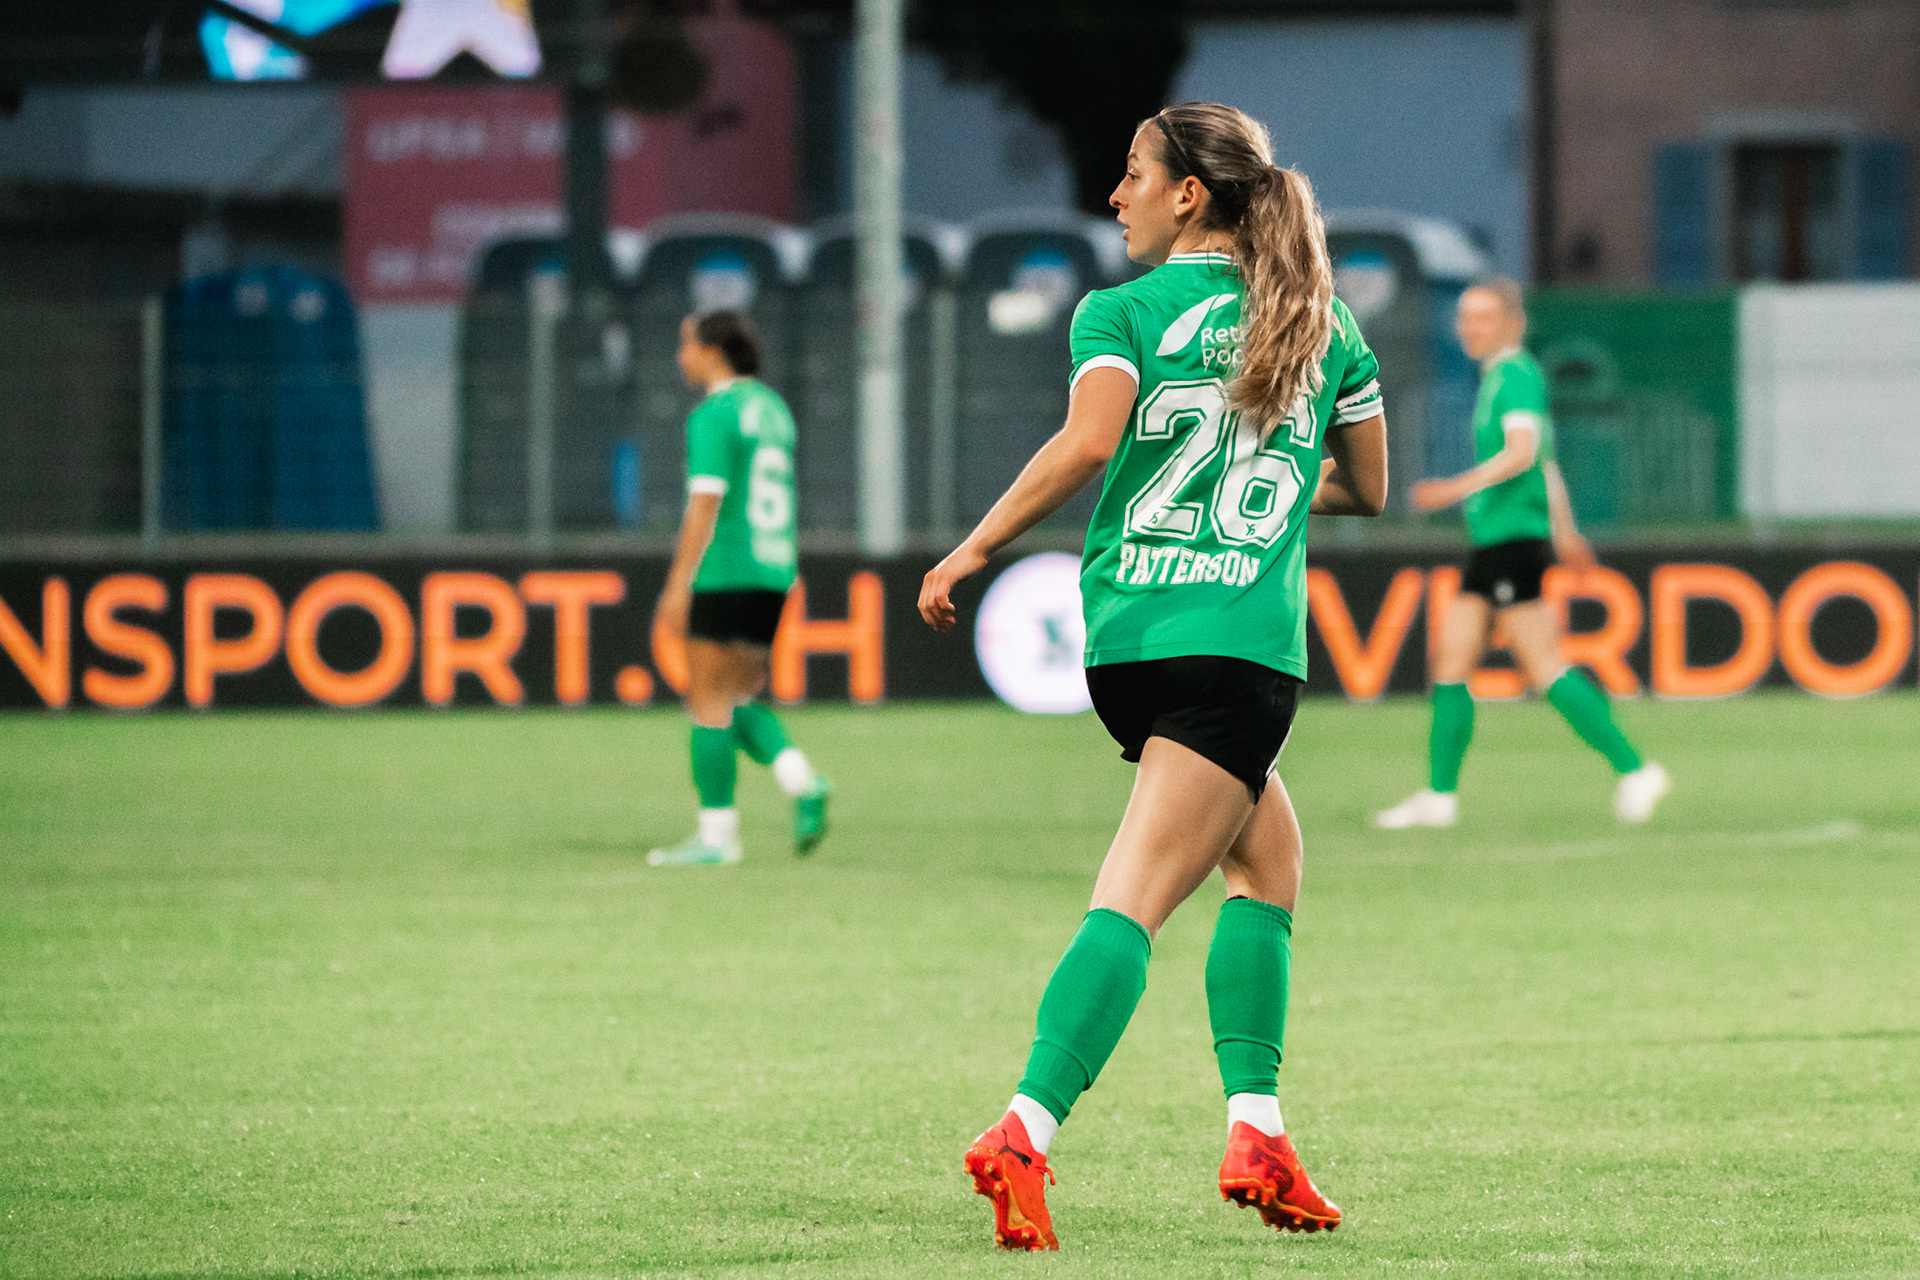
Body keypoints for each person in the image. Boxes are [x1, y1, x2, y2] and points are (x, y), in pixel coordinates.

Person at [920, 102, 1389, 1251]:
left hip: (1127, 643)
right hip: (1236, 649)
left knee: (1268, 865)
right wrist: (1270, 475)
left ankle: (1261, 1129)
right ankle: (1024, 1129)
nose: (1116, 194)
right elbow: (1366, 489)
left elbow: (1094, 443)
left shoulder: (1122, 311)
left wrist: (985, 541)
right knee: (1134, 895)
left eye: (1131, 173)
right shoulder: (1325, 330)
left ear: (1190, 195)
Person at [1373, 280, 1669, 830]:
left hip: (1511, 544)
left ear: (1514, 323)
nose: (1469, 328)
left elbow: (1523, 454)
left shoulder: (1514, 374)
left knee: (1544, 666)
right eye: (1464, 318)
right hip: (1499, 542)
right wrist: (1567, 529)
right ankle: (1439, 798)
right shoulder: (1500, 377)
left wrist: (1452, 489)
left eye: (1482, 317)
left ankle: (1636, 769)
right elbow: (1548, 464)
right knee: (1451, 661)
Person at [648, 310, 830, 867]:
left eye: (686, 345)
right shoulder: (773, 410)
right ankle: (803, 782)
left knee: (706, 700)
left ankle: (717, 836)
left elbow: (706, 502)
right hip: (773, 570)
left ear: (713, 351)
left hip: (725, 569)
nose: (681, 358)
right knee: (736, 696)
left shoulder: (714, 414)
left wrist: (678, 584)